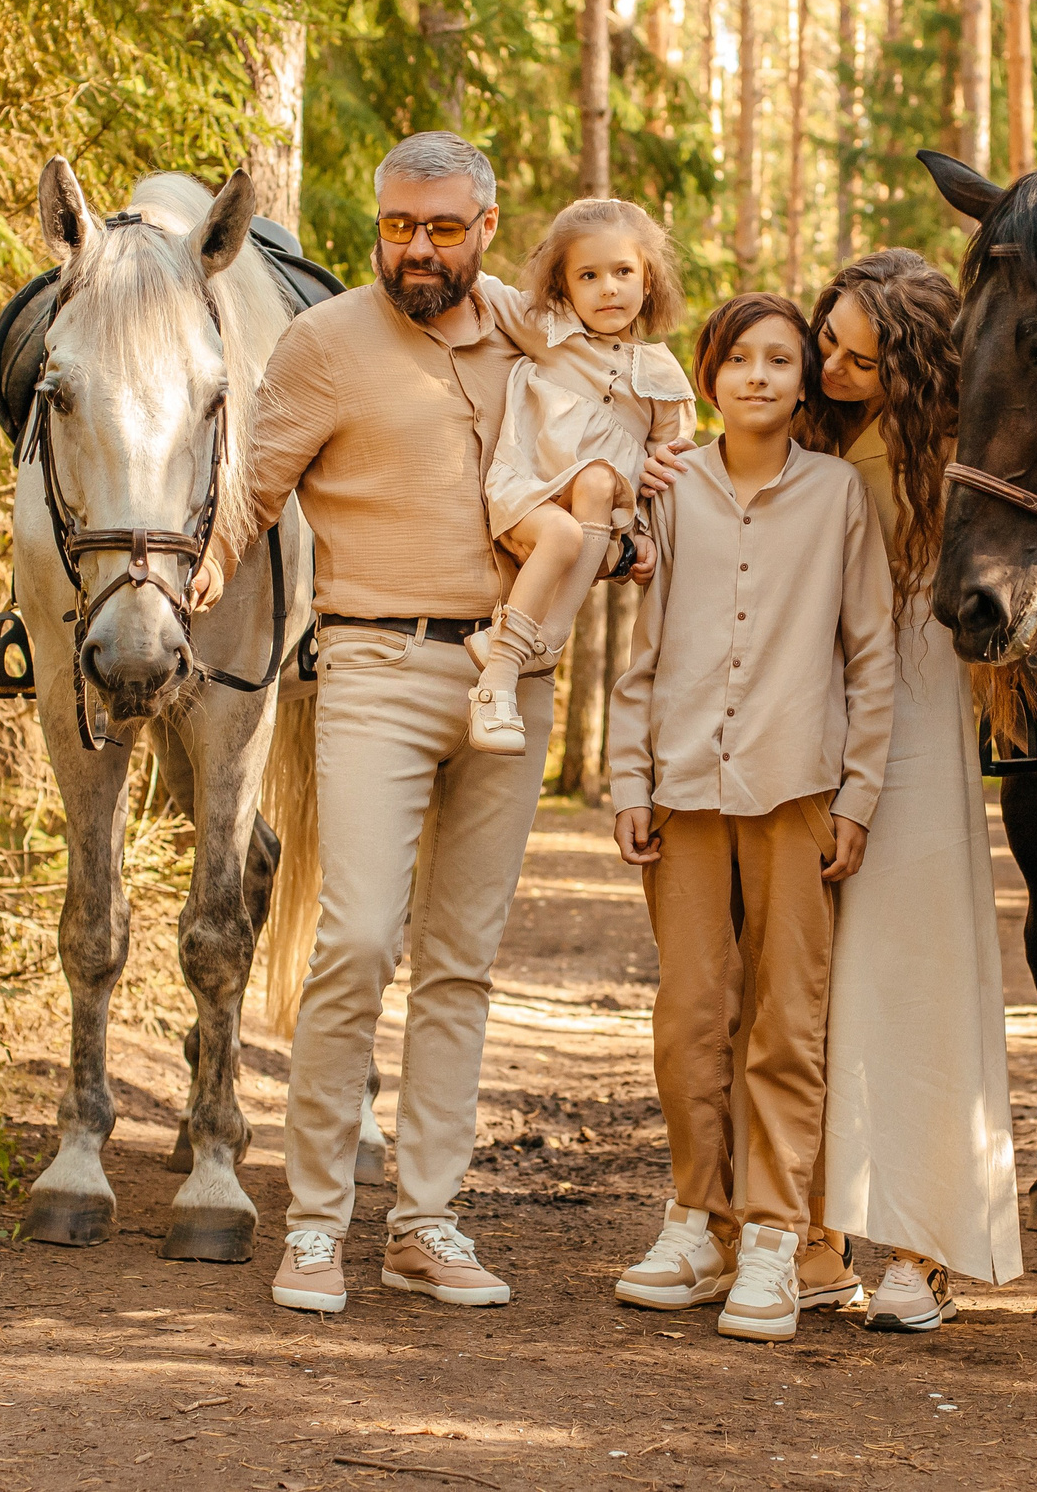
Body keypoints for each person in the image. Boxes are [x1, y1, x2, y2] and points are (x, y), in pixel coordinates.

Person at [194, 132, 552, 1316]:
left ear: (486, 226)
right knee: (354, 942)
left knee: (460, 961)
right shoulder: (327, 342)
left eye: (443, 228)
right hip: (372, 665)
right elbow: (248, 491)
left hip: (515, 675)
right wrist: (189, 579)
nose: (417, 248)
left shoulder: (539, 336)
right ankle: (314, 1227)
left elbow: (610, 455)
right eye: (399, 225)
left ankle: (427, 1224)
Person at [606, 292, 897, 1343]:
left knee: (786, 1017)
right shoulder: (673, 492)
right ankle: (697, 1220)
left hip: (797, 790)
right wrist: (627, 781)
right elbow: (638, 654)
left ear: (803, 379)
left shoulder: (834, 498)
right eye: (740, 360)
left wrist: (858, 795)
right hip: (682, 787)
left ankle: (775, 1236)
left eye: (783, 360)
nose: (762, 377)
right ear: (708, 375)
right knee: (688, 1015)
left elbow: (871, 654)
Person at [794, 249, 1027, 1331]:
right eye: (827, 344)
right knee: (802, 982)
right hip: (801, 721)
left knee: (913, 970)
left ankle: (923, 1243)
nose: (833, 368)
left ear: (916, 363)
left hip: (921, 721)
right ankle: (806, 1228)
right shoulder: (805, 435)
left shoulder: (959, 456)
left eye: (862, 358)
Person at [460, 201, 697, 755]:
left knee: (594, 482)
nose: (608, 289)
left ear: (649, 279)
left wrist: (644, 534)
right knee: (574, 510)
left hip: (601, 523)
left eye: (622, 273)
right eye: (587, 276)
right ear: (562, 285)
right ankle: (520, 661)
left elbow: (672, 468)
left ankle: (515, 652)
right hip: (527, 497)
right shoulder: (549, 333)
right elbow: (483, 284)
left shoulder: (662, 377)